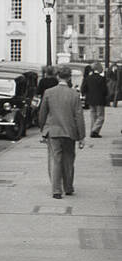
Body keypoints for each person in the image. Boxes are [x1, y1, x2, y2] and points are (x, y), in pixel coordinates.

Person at [38, 65, 86, 199]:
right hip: (70, 132)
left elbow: (42, 113)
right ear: (69, 77)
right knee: (69, 160)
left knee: (56, 160)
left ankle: (56, 190)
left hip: (53, 131)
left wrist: (43, 129)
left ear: (58, 76)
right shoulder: (75, 94)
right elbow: (79, 116)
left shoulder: (48, 92)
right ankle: (68, 187)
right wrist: (81, 136)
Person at [82, 62, 108, 138]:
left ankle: (93, 131)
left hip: (90, 99)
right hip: (100, 99)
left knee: (93, 115)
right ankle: (94, 130)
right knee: (101, 116)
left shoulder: (88, 78)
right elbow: (105, 90)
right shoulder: (102, 78)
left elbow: (84, 89)